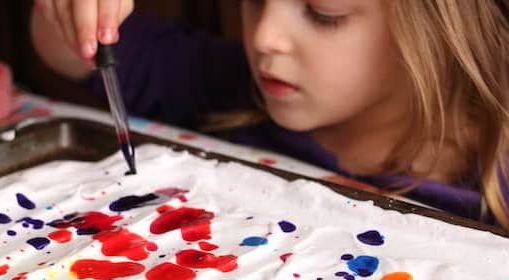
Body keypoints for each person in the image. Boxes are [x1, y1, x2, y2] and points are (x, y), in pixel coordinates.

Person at [30, 0, 509, 229]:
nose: (263, 38)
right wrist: (83, 14)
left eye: (323, 14)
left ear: (436, 30)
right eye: (254, 2)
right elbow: (76, 52)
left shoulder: (493, 177)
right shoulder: (231, 88)